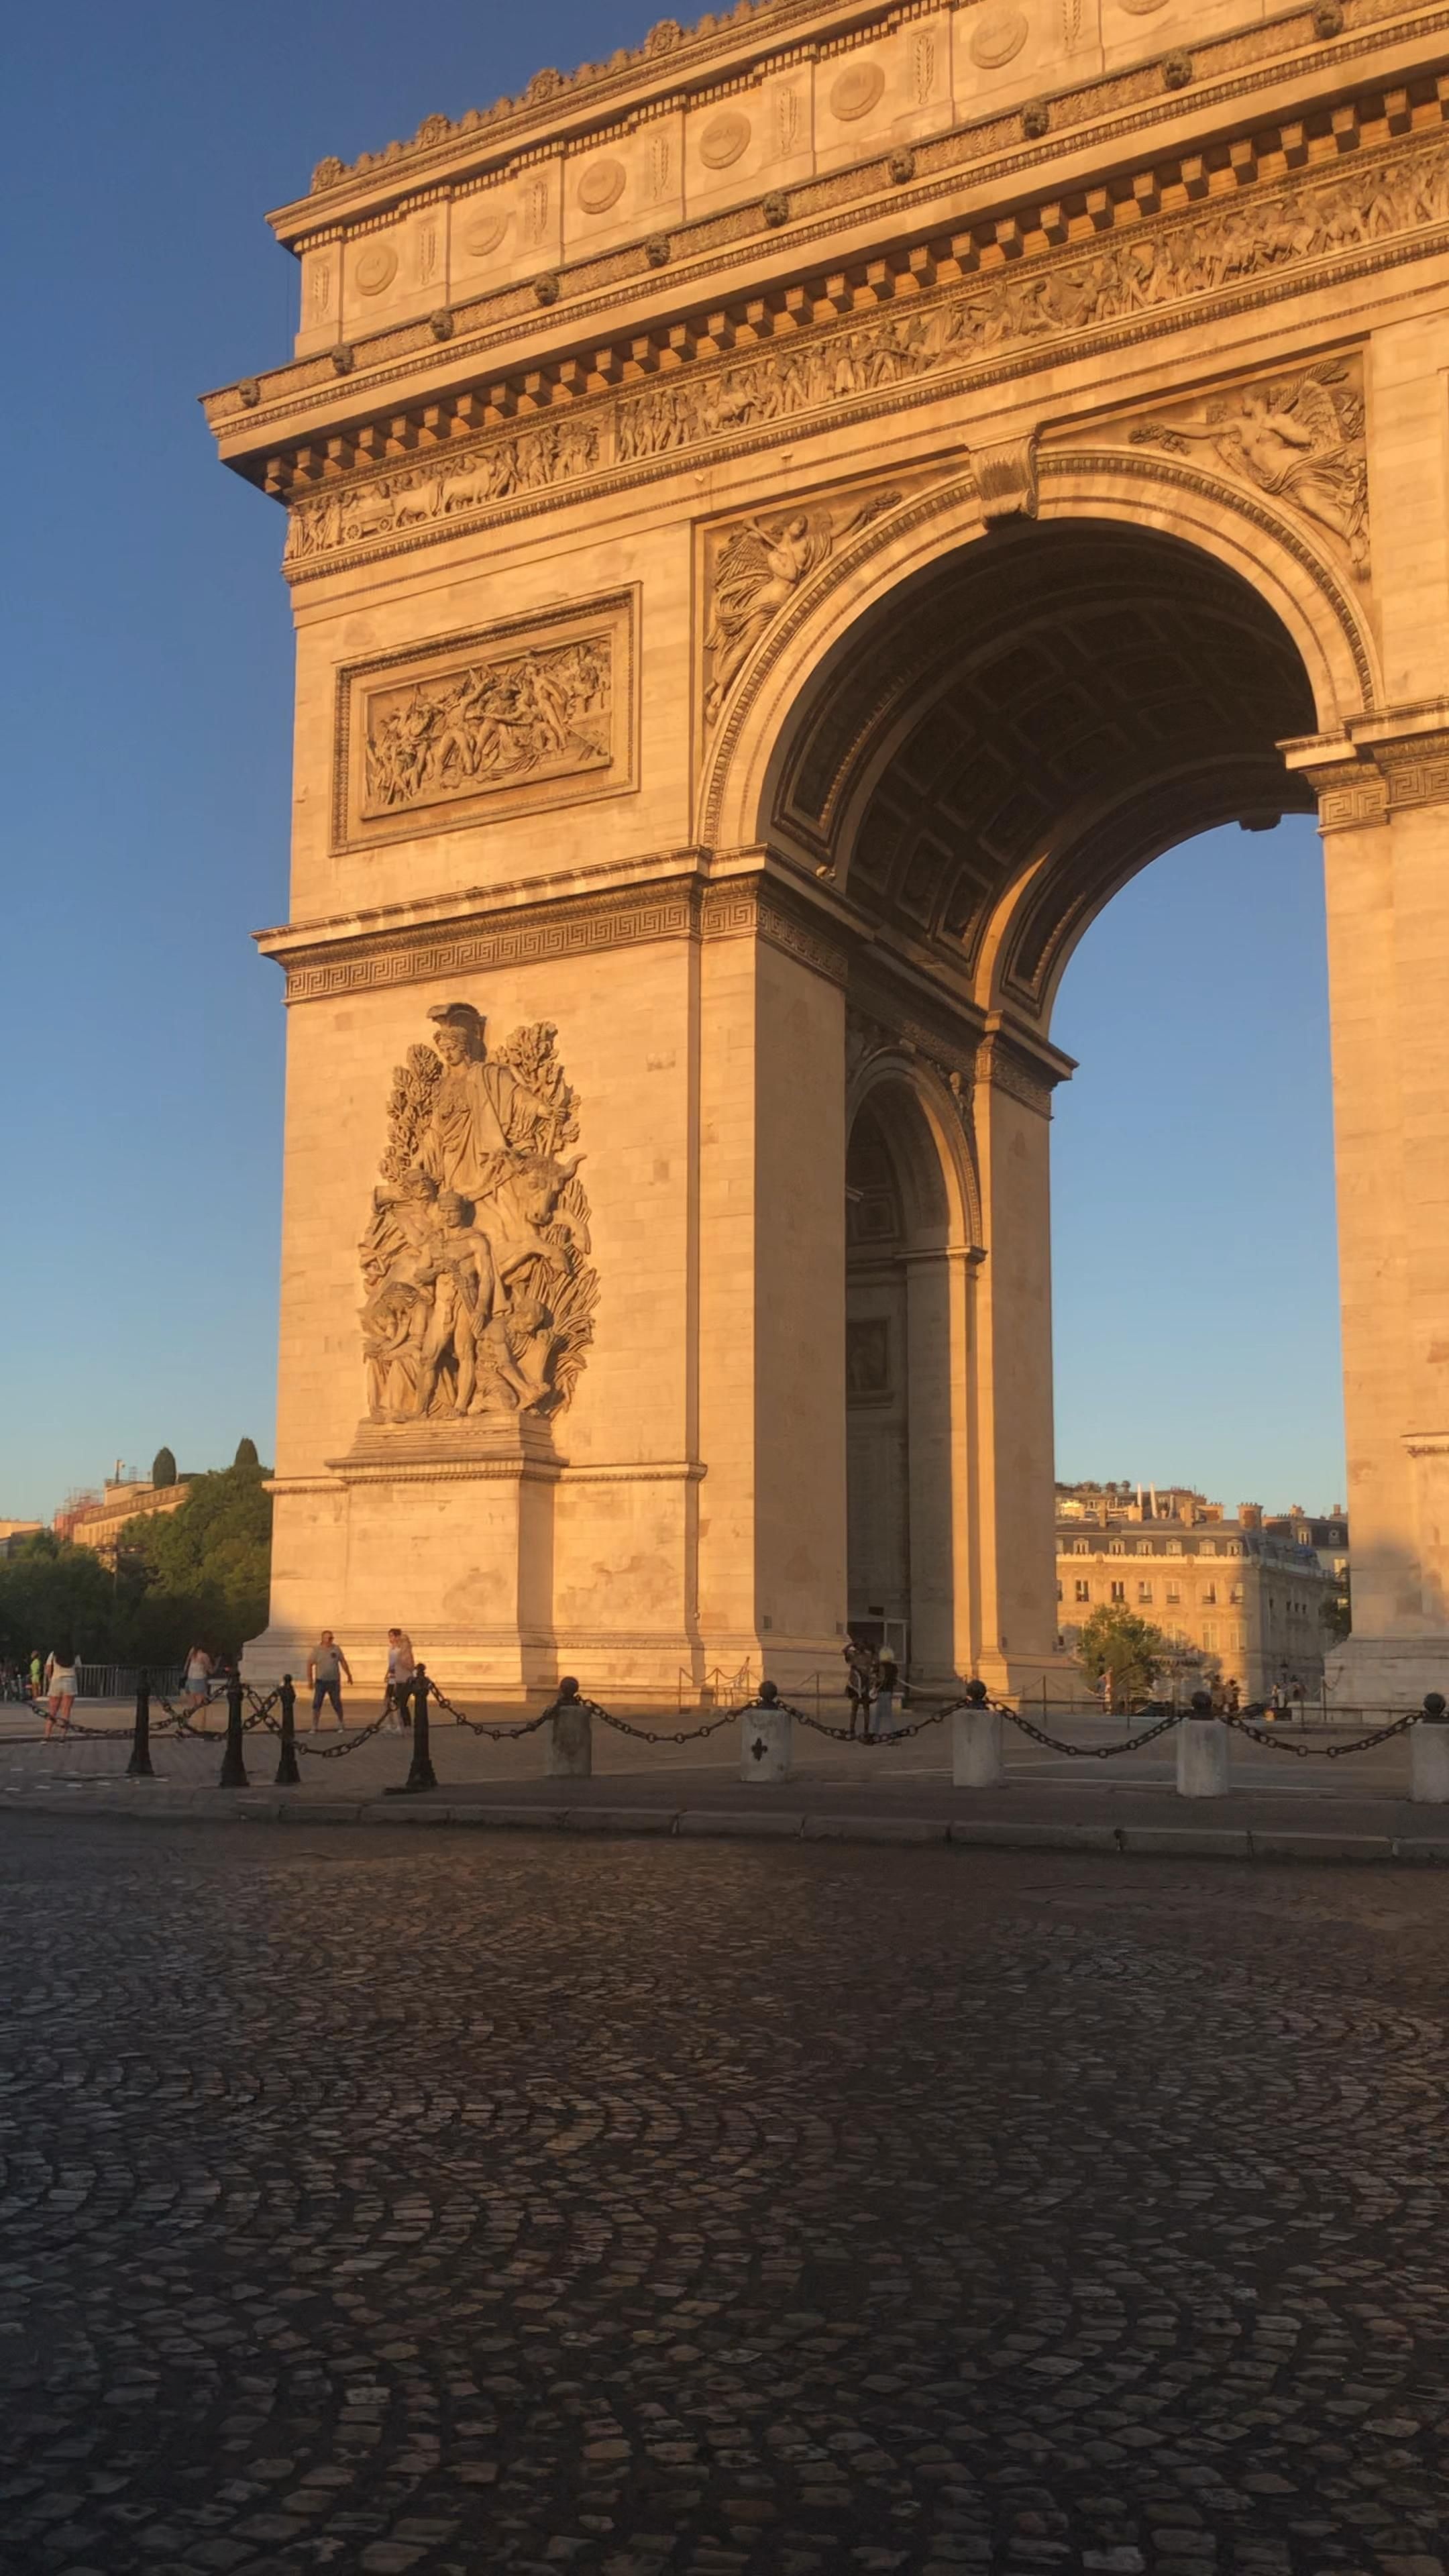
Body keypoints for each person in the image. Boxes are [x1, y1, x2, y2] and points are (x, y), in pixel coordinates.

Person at [307, 1631, 353, 1733]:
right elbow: (309, 1664)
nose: (330, 1640)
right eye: (328, 1638)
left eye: (331, 1638)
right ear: (322, 1639)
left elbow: (343, 1662)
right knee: (317, 1704)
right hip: (321, 1681)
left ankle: (341, 1723)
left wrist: (349, 1675)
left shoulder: (336, 1649)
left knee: (336, 1703)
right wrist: (310, 1680)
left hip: (334, 1681)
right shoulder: (317, 1650)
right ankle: (314, 1726)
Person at [44, 1642, 79, 1738]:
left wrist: (51, 1679)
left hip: (56, 1681)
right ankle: (62, 1736)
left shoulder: (54, 1654)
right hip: (70, 1681)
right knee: (66, 1711)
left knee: (52, 1711)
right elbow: (79, 1669)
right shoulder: (75, 1654)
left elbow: (48, 1669)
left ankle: (47, 1736)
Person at [384, 1627, 416, 1731]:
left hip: (404, 1679)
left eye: (392, 1636)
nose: (391, 1639)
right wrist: (387, 1674)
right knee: (389, 1701)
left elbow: (409, 1664)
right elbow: (392, 1665)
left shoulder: (403, 1650)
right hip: (394, 1678)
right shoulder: (393, 1649)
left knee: (400, 1703)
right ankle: (393, 1723)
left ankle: (403, 1725)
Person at [872, 1645, 900, 1738]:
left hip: (882, 1691)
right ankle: (879, 1733)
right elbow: (894, 1681)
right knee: (885, 1715)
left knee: (880, 1715)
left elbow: (876, 1678)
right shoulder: (894, 1667)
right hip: (889, 1692)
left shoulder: (880, 1667)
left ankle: (886, 1734)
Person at [182, 1644, 214, 1712]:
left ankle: (193, 1717)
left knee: (192, 1702)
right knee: (200, 1703)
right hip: (200, 1679)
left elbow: (186, 1665)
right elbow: (210, 1669)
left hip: (190, 1678)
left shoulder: (192, 1655)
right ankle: (200, 1719)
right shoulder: (204, 1656)